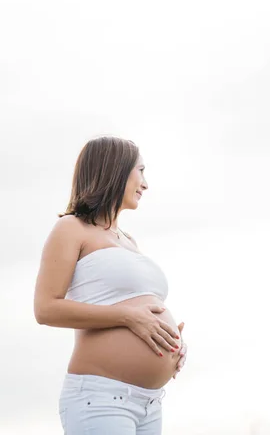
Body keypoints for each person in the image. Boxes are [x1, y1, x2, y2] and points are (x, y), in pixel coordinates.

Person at [33, 135, 188, 434]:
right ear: (115, 170)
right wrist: (129, 317)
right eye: (140, 171)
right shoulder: (71, 228)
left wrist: (170, 342)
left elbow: (138, 305)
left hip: (149, 403)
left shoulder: (129, 241)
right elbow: (45, 309)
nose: (145, 184)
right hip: (100, 399)